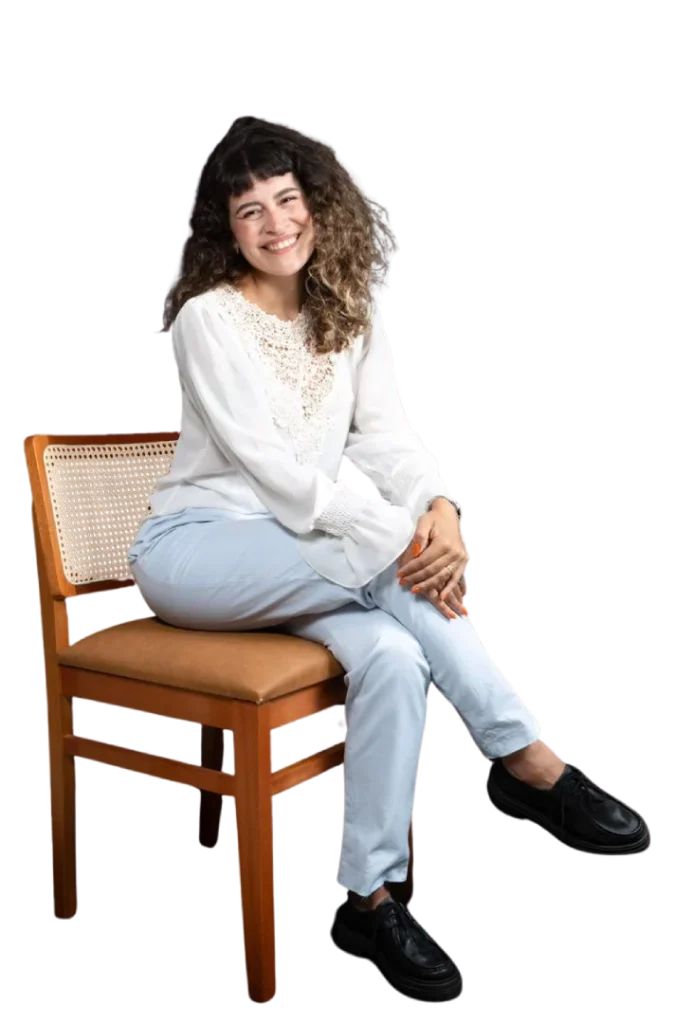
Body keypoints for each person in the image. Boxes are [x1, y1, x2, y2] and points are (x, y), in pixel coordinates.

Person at [133, 114, 648, 1004]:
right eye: (250, 211)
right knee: (382, 559)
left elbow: (390, 441)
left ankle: (364, 898)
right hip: (198, 553)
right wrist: (404, 539)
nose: (275, 224)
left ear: (319, 206)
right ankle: (525, 755)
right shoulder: (207, 320)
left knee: (397, 655)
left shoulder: (352, 316)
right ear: (228, 229)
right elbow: (279, 475)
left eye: (287, 200)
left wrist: (442, 510)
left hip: (307, 559)